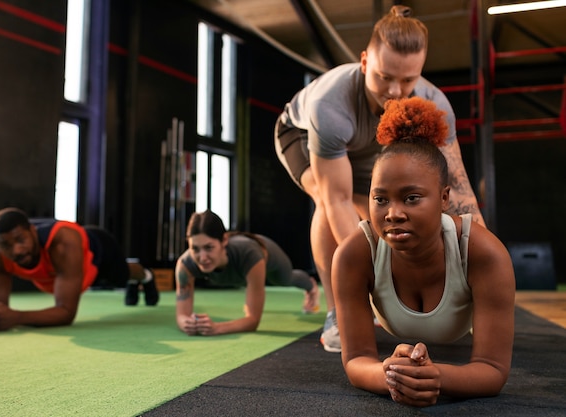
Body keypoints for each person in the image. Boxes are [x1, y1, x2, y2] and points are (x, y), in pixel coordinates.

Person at [274, 5, 485, 353]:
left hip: (366, 148)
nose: (396, 90)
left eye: (407, 79)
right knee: (327, 201)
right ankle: (336, 311)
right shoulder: (330, 104)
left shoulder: (434, 104)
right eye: (385, 76)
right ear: (364, 62)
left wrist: (477, 270)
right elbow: (337, 200)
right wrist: (384, 271)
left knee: (379, 199)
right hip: (299, 135)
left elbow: (458, 192)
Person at [332, 96, 515, 406]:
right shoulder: (354, 254)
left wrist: (436, 377)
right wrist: (392, 374)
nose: (393, 213)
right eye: (380, 200)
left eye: (412, 198)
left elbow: (493, 369)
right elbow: (357, 360)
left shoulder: (484, 253)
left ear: (445, 198)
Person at [0, 207, 159, 334]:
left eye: (20, 240)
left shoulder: (62, 243)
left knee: (120, 277)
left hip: (98, 251)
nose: (16, 250)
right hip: (65, 272)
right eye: (7, 245)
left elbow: (66, 313)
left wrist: (15, 317)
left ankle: (145, 275)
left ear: (33, 231)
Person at [175, 210, 320, 336]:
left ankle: (311, 286)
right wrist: (189, 324)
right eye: (195, 249)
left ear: (224, 240)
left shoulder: (249, 254)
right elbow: (182, 315)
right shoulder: (185, 265)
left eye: (209, 247)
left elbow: (252, 321)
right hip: (243, 270)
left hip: (267, 257)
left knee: (284, 279)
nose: (202, 257)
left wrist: (216, 328)